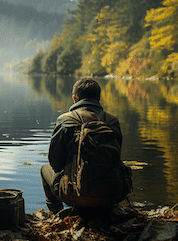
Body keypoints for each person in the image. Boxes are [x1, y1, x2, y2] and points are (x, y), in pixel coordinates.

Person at [40, 78, 123, 213]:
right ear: (98, 98)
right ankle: (108, 209)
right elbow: (116, 159)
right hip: (113, 194)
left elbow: (56, 164)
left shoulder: (65, 120)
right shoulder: (112, 121)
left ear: (74, 98)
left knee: (45, 170)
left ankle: (55, 214)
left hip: (78, 195)